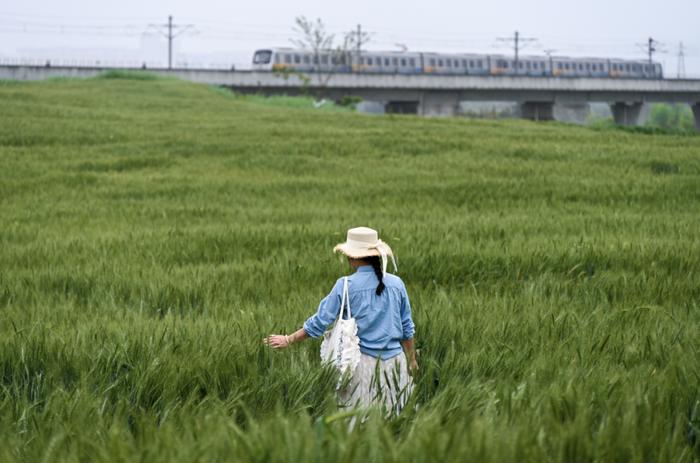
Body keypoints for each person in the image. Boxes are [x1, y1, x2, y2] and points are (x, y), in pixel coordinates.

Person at [264, 226, 418, 416]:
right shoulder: (397, 283)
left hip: (362, 368)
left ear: (353, 257)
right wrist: (411, 361)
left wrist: (288, 339)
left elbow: (319, 323)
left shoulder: (345, 285)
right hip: (396, 366)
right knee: (396, 422)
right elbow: (407, 328)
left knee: (358, 425)